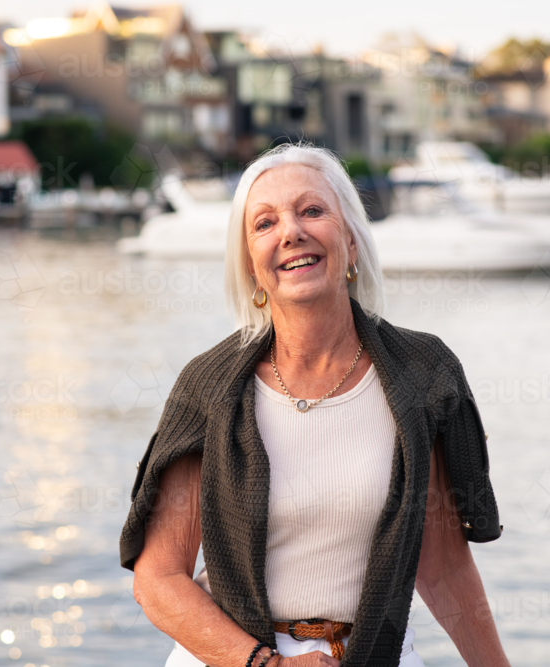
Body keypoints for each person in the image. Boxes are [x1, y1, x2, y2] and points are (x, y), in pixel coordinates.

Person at [119, 143, 509, 667]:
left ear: (350, 239)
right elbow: (158, 578)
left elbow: (444, 569)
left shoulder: (422, 373)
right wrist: (269, 665)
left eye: (311, 210)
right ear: (251, 266)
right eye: (265, 223)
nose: (291, 233)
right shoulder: (209, 388)